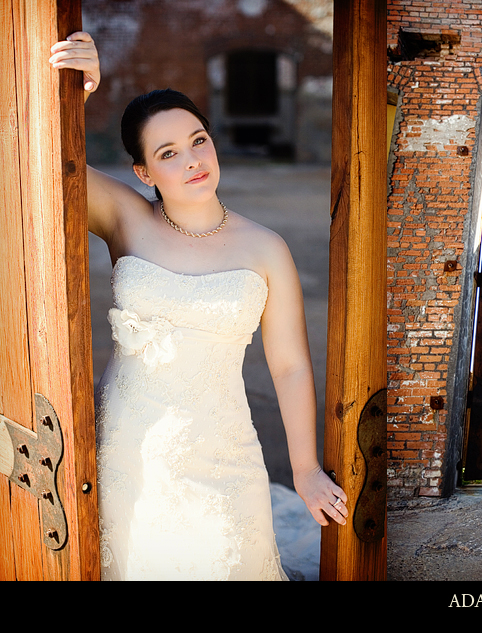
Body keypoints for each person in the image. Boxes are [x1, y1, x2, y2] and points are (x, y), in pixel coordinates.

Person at [50, 32, 347, 580]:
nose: (192, 161)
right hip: (128, 449)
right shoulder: (125, 218)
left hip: (222, 447)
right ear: (143, 172)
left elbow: (289, 365)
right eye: (168, 153)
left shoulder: (265, 247)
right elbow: (42, 163)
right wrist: (76, 91)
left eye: (199, 140)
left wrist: (304, 468)